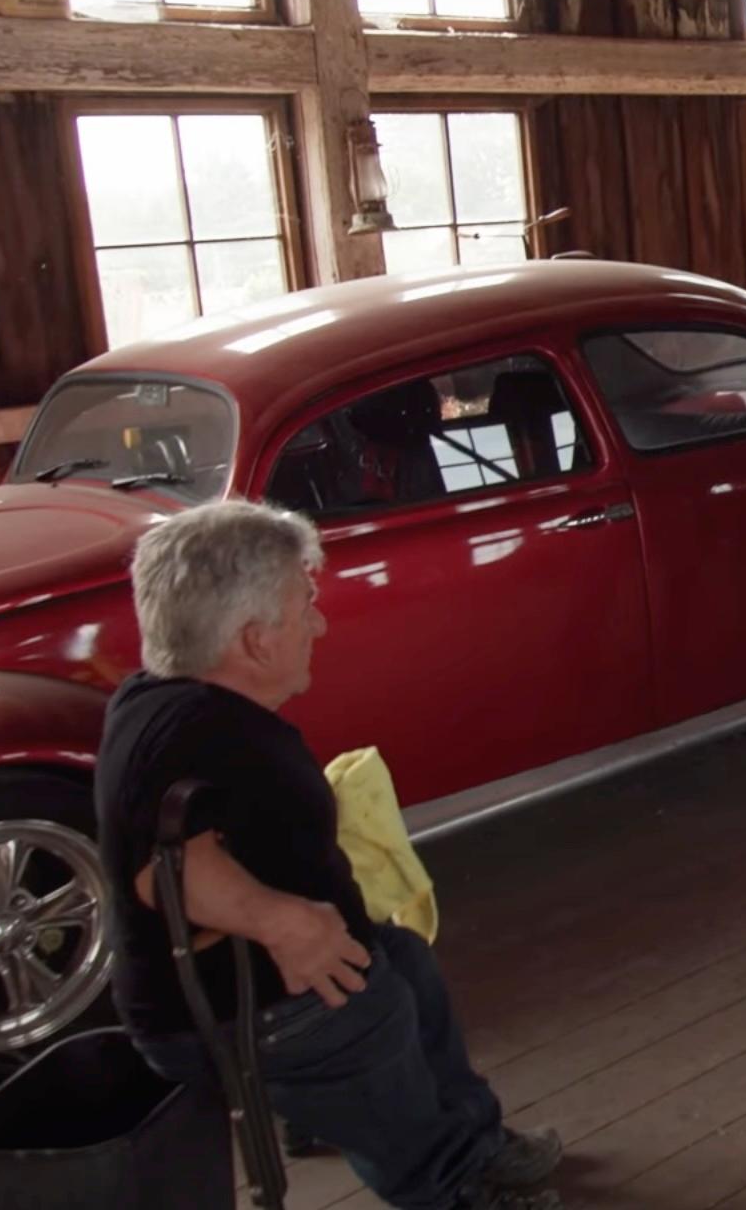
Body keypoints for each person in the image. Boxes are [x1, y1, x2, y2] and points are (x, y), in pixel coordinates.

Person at [96, 501, 565, 1210]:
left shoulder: (159, 698)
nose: (318, 623)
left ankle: (473, 1141)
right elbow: (167, 871)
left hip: (269, 986)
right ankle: (443, 1186)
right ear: (255, 641)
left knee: (404, 961)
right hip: (239, 1014)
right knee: (369, 1013)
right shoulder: (198, 735)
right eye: (304, 605)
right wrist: (285, 924)